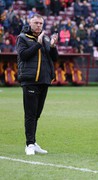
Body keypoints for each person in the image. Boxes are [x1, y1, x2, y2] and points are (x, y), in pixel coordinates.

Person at [16, 14, 58, 155]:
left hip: (44, 81)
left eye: (41, 23)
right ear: (30, 23)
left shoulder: (45, 38)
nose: (39, 25)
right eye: (36, 23)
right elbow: (23, 55)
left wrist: (52, 46)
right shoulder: (22, 38)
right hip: (30, 80)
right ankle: (29, 144)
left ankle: (33, 142)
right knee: (30, 114)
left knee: (37, 114)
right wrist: (38, 44)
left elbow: (54, 58)